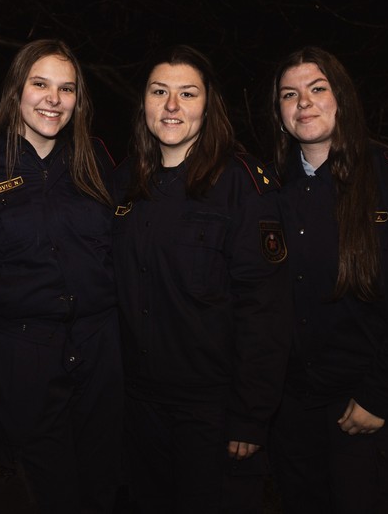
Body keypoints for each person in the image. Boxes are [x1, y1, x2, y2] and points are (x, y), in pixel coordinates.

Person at [266, 46, 388, 514]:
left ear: (342, 97)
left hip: (365, 409)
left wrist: (382, 395)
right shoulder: (267, 188)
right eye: (289, 94)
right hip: (292, 413)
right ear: (279, 112)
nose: (303, 102)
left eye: (317, 88)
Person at [111, 44, 291, 514]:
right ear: (143, 103)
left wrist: (251, 415)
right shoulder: (123, 182)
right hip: (139, 410)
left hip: (212, 413)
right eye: (159, 92)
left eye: (187, 94)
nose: (172, 105)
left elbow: (265, 310)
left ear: (209, 106)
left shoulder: (242, 184)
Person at [0, 38, 123, 513]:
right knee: (44, 493)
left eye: (66, 88)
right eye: (40, 84)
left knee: (104, 489)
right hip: (22, 356)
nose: (54, 99)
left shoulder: (97, 160)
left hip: (99, 349)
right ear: (16, 90)